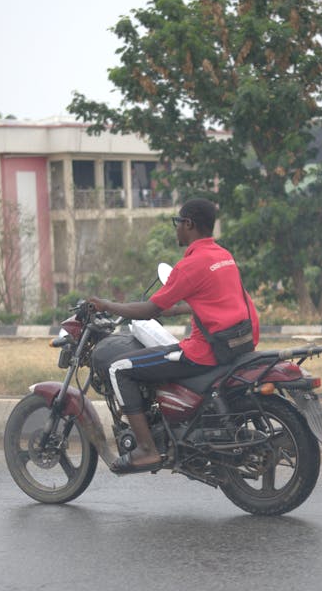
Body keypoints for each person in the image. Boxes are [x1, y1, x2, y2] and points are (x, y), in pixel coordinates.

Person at [88, 197, 259, 474]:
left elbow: (147, 309)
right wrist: (174, 311)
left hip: (204, 353)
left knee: (120, 368)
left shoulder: (191, 264)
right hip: (237, 344)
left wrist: (106, 305)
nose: (176, 228)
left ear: (188, 224)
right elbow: (213, 301)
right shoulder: (223, 256)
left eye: (177, 222)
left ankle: (146, 450)